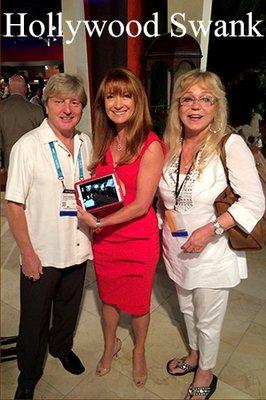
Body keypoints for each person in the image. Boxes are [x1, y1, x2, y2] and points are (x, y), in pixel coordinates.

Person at [157, 70, 265, 400]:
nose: (195, 106)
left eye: (206, 99)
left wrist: (211, 229)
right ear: (178, 106)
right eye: (188, 98)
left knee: (208, 319)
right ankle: (194, 355)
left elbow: (255, 200)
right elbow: (167, 196)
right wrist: (159, 220)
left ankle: (206, 371)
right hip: (176, 248)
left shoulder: (228, 144)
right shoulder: (172, 146)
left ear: (217, 106)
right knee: (188, 311)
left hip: (212, 252)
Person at [5, 73, 93, 400]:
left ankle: (61, 347)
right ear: (46, 104)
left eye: (75, 102)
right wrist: (27, 253)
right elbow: (14, 206)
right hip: (41, 252)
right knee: (33, 320)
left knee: (69, 309)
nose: (67, 109)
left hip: (78, 246)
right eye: (59, 101)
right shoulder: (28, 147)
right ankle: (29, 374)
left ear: (82, 107)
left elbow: (87, 192)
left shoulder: (85, 143)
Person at [77, 67, 165, 388]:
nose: (118, 102)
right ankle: (109, 345)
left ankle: (139, 351)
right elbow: (105, 186)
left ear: (137, 100)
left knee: (139, 302)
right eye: (111, 95)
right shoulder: (105, 140)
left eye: (125, 95)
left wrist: (98, 221)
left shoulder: (150, 145)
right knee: (108, 297)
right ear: (103, 102)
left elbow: (142, 204)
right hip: (106, 241)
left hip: (137, 240)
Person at [0, 75, 44, 171]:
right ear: (25, 89)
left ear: (9, 88)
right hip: (34, 159)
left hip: (10, 159)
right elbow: (43, 136)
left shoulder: (1, 108)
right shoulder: (36, 109)